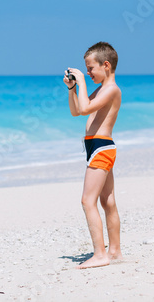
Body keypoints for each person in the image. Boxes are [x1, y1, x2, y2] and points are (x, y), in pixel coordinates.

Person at [64, 41, 123, 269]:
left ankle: (100, 255)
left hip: (100, 147)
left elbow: (86, 108)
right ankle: (114, 250)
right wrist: (72, 89)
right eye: (86, 70)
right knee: (107, 202)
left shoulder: (112, 90)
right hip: (97, 147)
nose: (88, 73)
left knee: (87, 201)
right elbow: (77, 111)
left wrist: (80, 82)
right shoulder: (101, 89)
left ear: (106, 65)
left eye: (91, 69)